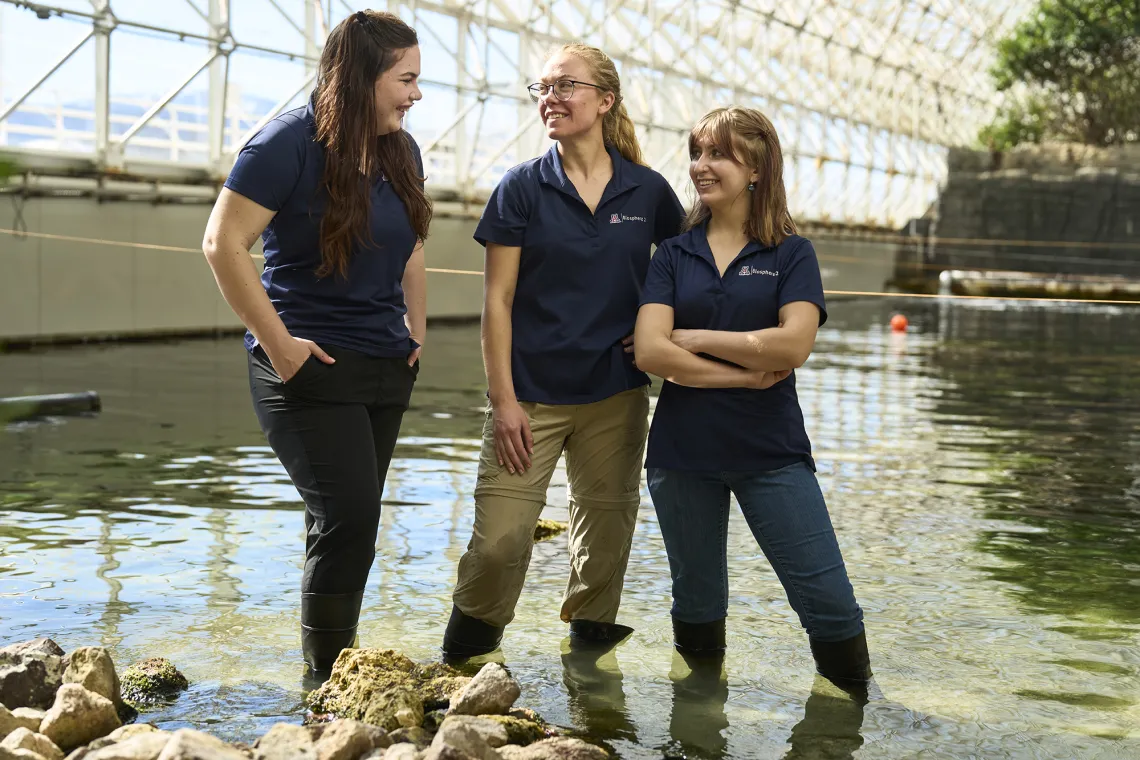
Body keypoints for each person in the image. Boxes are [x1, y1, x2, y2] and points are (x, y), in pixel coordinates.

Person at [201, 10, 429, 675]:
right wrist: (280, 347)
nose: (415, 95)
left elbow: (412, 249)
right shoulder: (286, 143)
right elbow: (222, 244)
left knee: (345, 525)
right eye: (406, 79)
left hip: (386, 363)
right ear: (362, 76)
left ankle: (333, 674)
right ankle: (327, 682)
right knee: (349, 517)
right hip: (308, 366)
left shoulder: (400, 149)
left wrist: (416, 330)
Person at [441, 43, 686, 658]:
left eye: (565, 85)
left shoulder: (648, 192)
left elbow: (693, 272)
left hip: (616, 394)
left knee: (604, 544)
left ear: (605, 101)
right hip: (530, 398)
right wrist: (503, 403)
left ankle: (589, 681)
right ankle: (462, 664)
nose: (550, 97)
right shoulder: (522, 186)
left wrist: (664, 332)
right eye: (542, 87)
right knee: (499, 540)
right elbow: (497, 302)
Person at [634, 106, 872, 689]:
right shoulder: (673, 253)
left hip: (770, 450)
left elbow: (793, 346)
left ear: (759, 167)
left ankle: (854, 720)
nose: (700, 167)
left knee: (829, 599)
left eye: (717, 154)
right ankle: (697, 726)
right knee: (696, 601)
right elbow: (649, 353)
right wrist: (741, 370)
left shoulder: (791, 253)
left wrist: (698, 339)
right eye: (697, 153)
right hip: (681, 454)